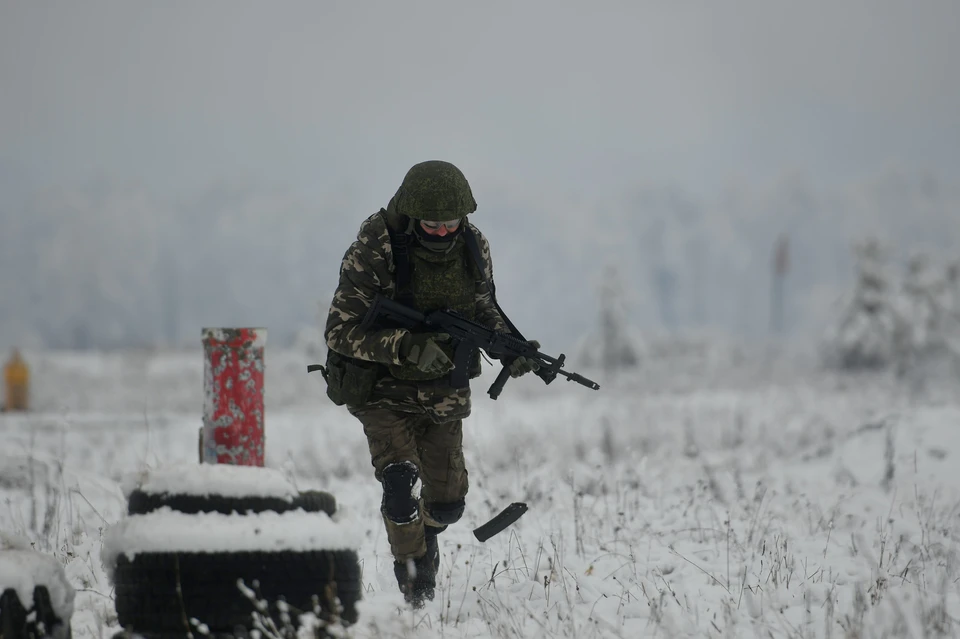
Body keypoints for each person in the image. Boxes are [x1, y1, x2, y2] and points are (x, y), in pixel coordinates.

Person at [322, 160, 539, 607]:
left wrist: (510, 348)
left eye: (450, 224)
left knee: (446, 505)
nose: (442, 233)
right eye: (431, 225)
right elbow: (339, 332)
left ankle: (424, 535)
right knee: (401, 486)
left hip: (445, 389)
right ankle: (416, 588)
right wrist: (405, 347)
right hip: (381, 390)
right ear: (412, 214)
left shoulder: (474, 246)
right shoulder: (375, 246)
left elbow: (483, 311)